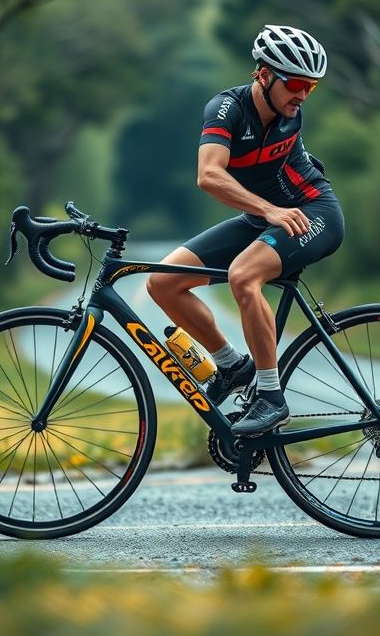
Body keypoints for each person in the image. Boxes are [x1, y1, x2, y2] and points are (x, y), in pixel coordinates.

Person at [147, 24, 345, 437]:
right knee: (162, 282)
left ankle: (271, 397)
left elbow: (253, 183)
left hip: (314, 213)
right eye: (295, 83)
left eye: (311, 86)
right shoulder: (227, 109)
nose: (303, 95)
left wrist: (272, 211)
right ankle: (232, 365)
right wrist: (269, 211)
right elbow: (209, 174)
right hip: (270, 215)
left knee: (243, 275)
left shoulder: (289, 113)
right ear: (263, 74)